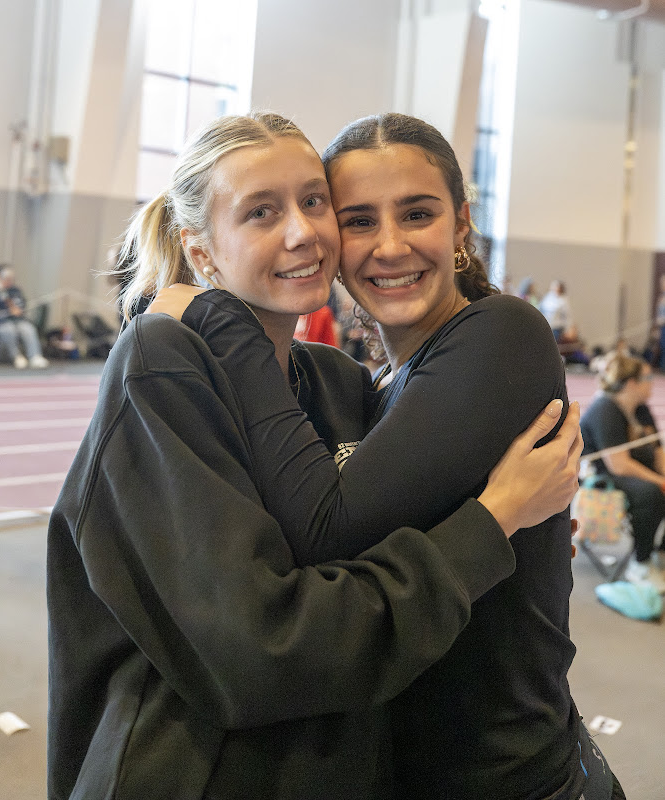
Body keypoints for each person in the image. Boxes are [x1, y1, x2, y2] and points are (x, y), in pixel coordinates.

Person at [47, 112, 582, 800]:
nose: (301, 231)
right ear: (200, 252)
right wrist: (496, 518)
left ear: (461, 224)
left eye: (313, 202)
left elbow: (349, 549)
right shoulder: (162, 362)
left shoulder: (341, 383)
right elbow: (262, 647)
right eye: (261, 212)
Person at [581, 350, 665, 589]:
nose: (653, 383)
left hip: (634, 471)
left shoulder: (641, 409)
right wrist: (660, 481)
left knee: (655, 486)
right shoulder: (605, 409)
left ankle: (660, 552)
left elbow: (658, 452)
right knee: (650, 493)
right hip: (604, 476)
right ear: (631, 383)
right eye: (648, 378)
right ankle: (640, 562)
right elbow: (618, 464)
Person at [0, 265, 49, 368]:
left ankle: (35, 356)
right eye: (6, 278)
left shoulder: (15, 290)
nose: (9, 281)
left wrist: (15, 309)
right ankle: (16, 356)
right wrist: (1, 293)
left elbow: (21, 305)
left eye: (11, 278)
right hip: (0, 322)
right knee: (9, 330)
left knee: (28, 329)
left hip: (17, 320)